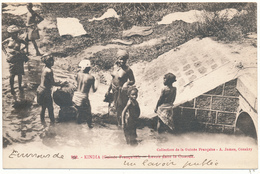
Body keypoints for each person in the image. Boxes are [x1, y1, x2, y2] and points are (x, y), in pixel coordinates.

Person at [105, 50, 135, 126]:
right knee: (116, 106)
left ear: (126, 60)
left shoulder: (128, 70)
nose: (122, 61)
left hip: (121, 91)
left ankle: (121, 124)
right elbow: (112, 80)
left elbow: (133, 80)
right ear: (117, 59)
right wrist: (108, 90)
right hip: (114, 89)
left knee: (121, 107)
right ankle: (119, 123)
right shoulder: (115, 67)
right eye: (120, 59)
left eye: (124, 59)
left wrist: (127, 83)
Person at [37, 54, 65, 126]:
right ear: (47, 61)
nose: (53, 62)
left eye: (52, 60)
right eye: (51, 61)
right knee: (50, 108)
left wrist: (58, 82)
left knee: (42, 107)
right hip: (45, 91)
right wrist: (62, 84)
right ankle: (53, 123)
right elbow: (53, 83)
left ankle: (42, 122)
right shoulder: (49, 71)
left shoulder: (44, 68)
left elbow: (48, 80)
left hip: (40, 89)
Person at [2, 25, 29, 95]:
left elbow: (26, 44)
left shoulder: (19, 39)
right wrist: (6, 53)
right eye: (13, 33)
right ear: (10, 34)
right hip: (11, 59)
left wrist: (21, 50)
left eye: (16, 33)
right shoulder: (8, 40)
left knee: (19, 73)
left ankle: (20, 86)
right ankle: (12, 88)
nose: (15, 34)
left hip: (19, 58)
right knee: (12, 74)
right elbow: (1, 44)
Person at [72, 59, 97, 127]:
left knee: (79, 111)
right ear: (89, 68)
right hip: (83, 96)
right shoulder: (91, 77)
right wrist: (97, 82)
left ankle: (78, 125)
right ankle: (90, 126)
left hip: (76, 96)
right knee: (88, 112)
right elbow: (94, 90)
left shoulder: (78, 74)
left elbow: (75, 83)